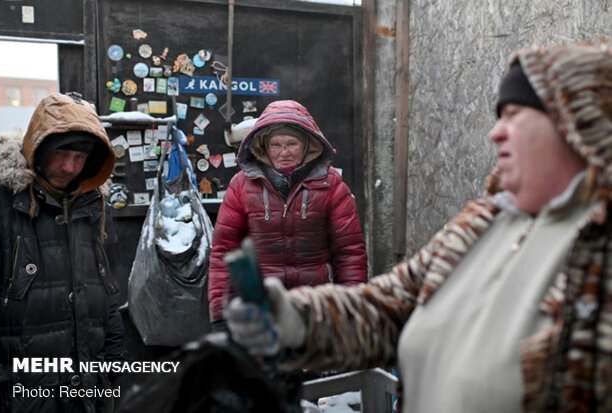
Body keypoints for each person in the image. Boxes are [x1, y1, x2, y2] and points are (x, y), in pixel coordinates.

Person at [226, 40, 612, 412]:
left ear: (577, 124)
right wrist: (296, 320)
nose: (496, 132)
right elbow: (389, 309)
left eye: (515, 117)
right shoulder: (482, 223)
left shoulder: (599, 255)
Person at [0, 92, 125, 412]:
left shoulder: (94, 206)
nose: (70, 166)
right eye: (62, 153)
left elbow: (107, 293)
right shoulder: (2, 203)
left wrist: (115, 366)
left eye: (81, 157)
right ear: (38, 148)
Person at [208, 100, 368, 329]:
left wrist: (351, 309)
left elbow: (349, 252)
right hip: (261, 309)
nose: (284, 152)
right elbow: (224, 252)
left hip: (316, 309)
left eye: (292, 144)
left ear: (307, 146)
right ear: (264, 147)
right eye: (276, 145)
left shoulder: (331, 184)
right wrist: (221, 314)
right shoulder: (242, 186)